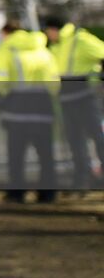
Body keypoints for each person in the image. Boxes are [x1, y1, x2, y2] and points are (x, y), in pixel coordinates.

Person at [0, 21, 59, 203]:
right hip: (43, 109)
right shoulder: (43, 50)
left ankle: (17, 192)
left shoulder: (7, 49)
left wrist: (0, 103)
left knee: (16, 155)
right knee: (46, 155)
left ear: (7, 33)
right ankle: (48, 193)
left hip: (16, 110)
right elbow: (55, 82)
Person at [42, 14, 104, 191]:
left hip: (87, 98)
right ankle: (83, 180)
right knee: (76, 142)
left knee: (98, 139)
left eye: (48, 31)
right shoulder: (57, 45)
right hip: (67, 100)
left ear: (54, 29)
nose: (47, 35)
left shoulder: (81, 39)